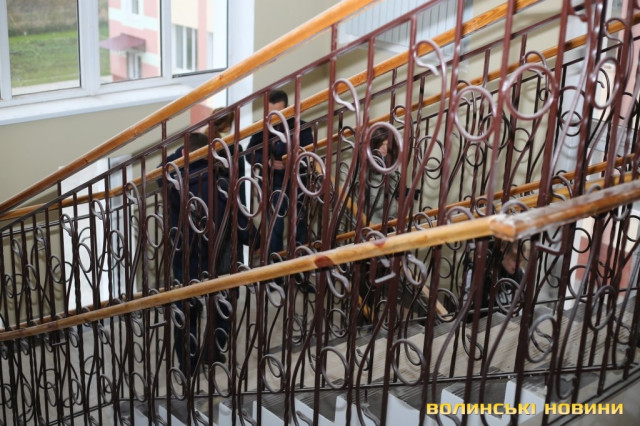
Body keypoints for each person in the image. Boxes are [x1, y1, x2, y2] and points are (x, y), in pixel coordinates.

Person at [160, 121, 251, 376]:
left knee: (187, 307)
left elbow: (159, 172)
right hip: (219, 252)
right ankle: (214, 350)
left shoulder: (173, 178)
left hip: (185, 253)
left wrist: (178, 155)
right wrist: (252, 239)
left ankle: (187, 363)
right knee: (224, 299)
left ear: (184, 153)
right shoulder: (221, 179)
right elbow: (238, 213)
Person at [247, 89, 313, 259]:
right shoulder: (261, 128)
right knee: (275, 226)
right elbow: (249, 154)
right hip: (272, 183)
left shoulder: (301, 126)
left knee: (299, 223)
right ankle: (275, 265)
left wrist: (291, 160)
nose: (274, 116)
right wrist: (267, 161)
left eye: (279, 112)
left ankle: (300, 262)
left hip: (298, 182)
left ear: (288, 108)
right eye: (270, 112)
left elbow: (310, 153)